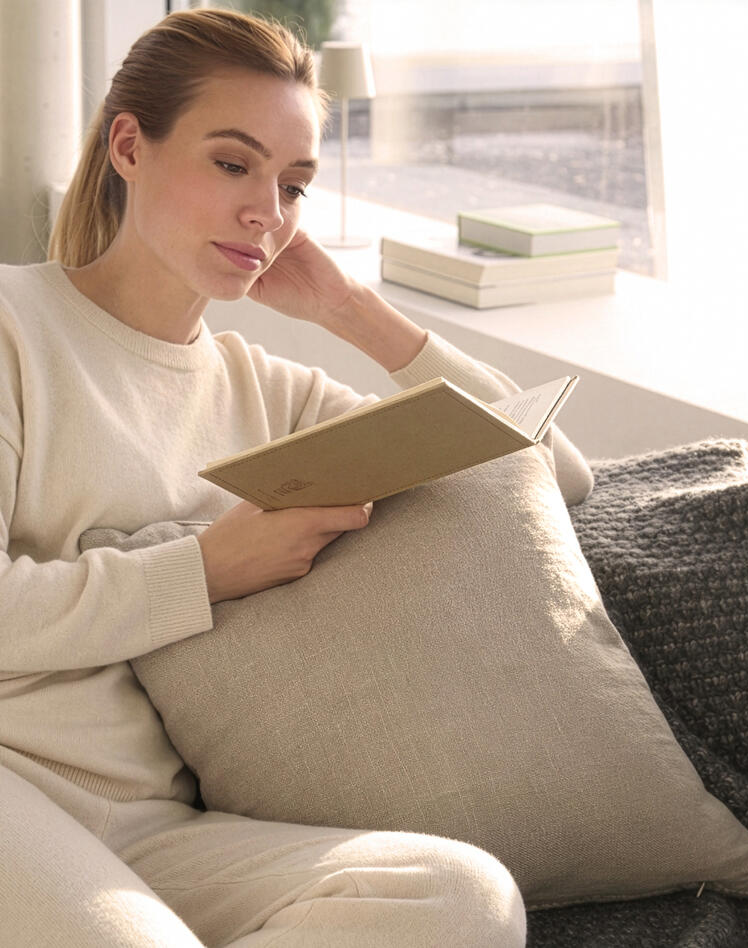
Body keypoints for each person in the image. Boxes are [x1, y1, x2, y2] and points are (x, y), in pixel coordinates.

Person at [0, 9, 592, 946]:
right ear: (130, 147)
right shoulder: (13, 327)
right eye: (233, 164)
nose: (266, 213)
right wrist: (206, 570)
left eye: (293, 186)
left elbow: (550, 472)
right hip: (12, 788)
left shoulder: (272, 394)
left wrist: (351, 309)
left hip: (157, 831)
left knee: (463, 899)